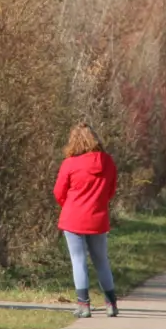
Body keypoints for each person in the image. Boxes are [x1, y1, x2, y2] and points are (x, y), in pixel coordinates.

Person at [54, 123, 120, 318]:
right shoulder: (107, 162)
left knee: (78, 260)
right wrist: (98, 203)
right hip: (98, 217)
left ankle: (84, 305)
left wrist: (69, 204)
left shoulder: (70, 164)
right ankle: (111, 303)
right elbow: (111, 190)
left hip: (73, 217)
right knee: (101, 260)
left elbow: (58, 192)